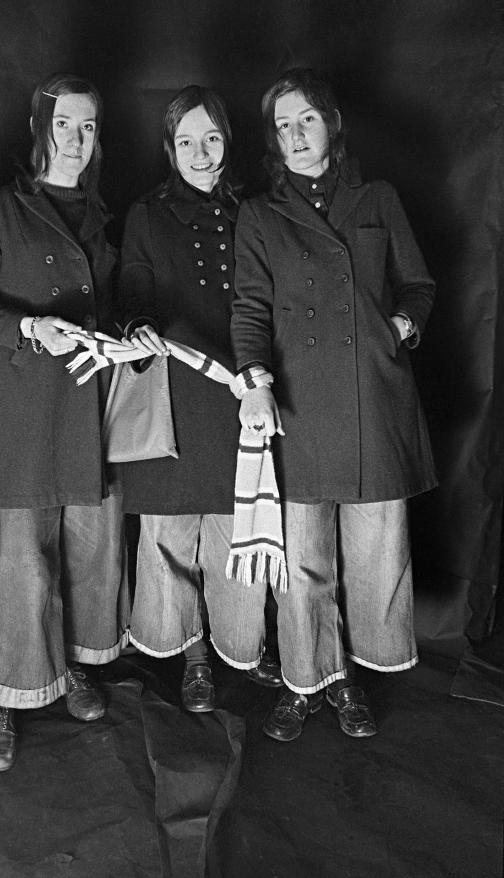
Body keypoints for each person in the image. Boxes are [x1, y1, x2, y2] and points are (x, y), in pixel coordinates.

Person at [232, 68, 437, 742]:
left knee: (376, 547)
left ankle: (357, 673)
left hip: (372, 399)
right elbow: (250, 309)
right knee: (302, 556)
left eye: (306, 121)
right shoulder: (261, 215)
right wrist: (255, 378)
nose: (295, 135)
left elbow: (418, 285)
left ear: (331, 126)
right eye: (283, 126)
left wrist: (400, 329)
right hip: (297, 403)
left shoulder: (378, 198)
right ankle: (308, 679)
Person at [0, 73, 129, 772]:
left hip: (92, 407)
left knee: (92, 553)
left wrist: (124, 334)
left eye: (88, 127)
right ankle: (6, 695)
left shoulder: (102, 217)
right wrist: (31, 327)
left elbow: (110, 307)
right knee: (25, 560)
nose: (77, 139)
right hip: (29, 410)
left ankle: (71, 669)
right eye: (66, 125)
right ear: (40, 129)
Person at [117, 85, 280, 713]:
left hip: (243, 393)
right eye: (186, 141)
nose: (200, 152)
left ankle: (240, 644)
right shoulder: (147, 215)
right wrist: (137, 326)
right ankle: (191, 656)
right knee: (169, 534)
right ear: (169, 148)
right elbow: (133, 289)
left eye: (211, 138)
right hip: (176, 395)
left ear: (228, 141)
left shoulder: (256, 212)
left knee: (236, 528)